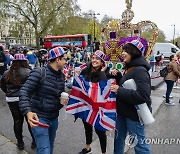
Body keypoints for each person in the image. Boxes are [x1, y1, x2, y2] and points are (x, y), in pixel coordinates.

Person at [19, 46, 68, 154]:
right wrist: (28, 112)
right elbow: (24, 91)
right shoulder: (39, 72)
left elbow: (57, 97)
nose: (66, 62)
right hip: (39, 118)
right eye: (64, 59)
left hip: (53, 118)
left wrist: (61, 102)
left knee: (50, 147)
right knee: (44, 151)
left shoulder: (61, 76)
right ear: (57, 59)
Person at [110, 40, 152, 154]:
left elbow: (142, 95)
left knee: (140, 146)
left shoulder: (140, 70)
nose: (122, 53)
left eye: (126, 50)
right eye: (123, 50)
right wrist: (119, 77)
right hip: (123, 112)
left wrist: (119, 90)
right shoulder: (131, 67)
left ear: (134, 53)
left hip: (134, 115)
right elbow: (128, 86)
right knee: (118, 140)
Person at [78, 50, 121, 154]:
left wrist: (116, 74)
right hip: (87, 105)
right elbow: (80, 83)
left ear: (102, 62)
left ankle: (103, 152)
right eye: (93, 58)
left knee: (100, 130)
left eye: (97, 59)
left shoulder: (108, 73)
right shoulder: (86, 70)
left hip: (100, 108)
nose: (94, 60)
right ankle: (88, 148)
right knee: (87, 127)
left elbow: (108, 87)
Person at [0, 53, 36, 150]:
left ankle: (20, 143)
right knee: (30, 121)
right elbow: (33, 86)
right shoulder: (28, 72)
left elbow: (2, 86)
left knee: (17, 121)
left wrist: (8, 93)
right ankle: (34, 142)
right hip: (26, 100)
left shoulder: (7, 73)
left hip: (11, 100)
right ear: (24, 61)